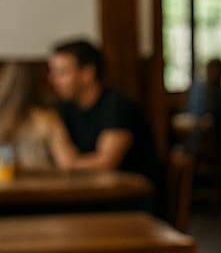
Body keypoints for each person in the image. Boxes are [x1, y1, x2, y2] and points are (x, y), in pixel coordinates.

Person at [48, 40, 161, 183]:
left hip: (131, 196)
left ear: (87, 73)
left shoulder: (117, 106)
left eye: (61, 73)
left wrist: (68, 163)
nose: (52, 79)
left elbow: (105, 163)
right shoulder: (65, 109)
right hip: (90, 192)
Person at [0, 63, 78, 171]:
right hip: (42, 183)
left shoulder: (3, 117)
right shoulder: (47, 118)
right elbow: (66, 161)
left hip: (6, 184)